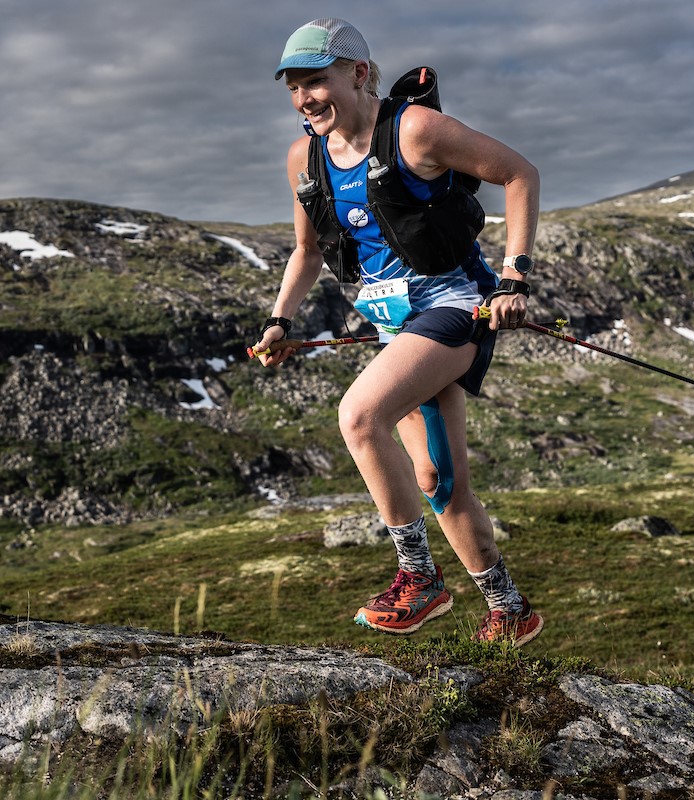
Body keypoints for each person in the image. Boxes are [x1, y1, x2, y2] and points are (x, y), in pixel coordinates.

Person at [252, 18, 544, 646]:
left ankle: (419, 576)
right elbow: (306, 250)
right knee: (439, 480)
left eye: (317, 81)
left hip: (455, 305)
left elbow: (519, 174)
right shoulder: (304, 157)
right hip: (392, 322)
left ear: (358, 74)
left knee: (359, 416)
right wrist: (280, 320)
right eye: (295, 87)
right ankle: (510, 608)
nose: (305, 98)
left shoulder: (414, 129)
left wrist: (514, 277)